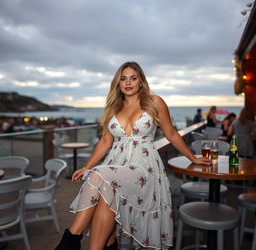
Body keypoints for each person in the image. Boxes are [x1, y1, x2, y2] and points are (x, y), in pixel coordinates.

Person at [54, 61, 210, 250]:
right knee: (106, 199)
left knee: (97, 175)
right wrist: (87, 165)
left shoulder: (155, 101)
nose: (128, 82)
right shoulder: (113, 106)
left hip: (143, 165)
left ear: (141, 81)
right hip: (116, 163)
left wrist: (192, 158)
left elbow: (171, 133)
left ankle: (71, 240)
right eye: (123, 79)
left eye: (133, 78)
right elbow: (105, 141)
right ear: (118, 83)